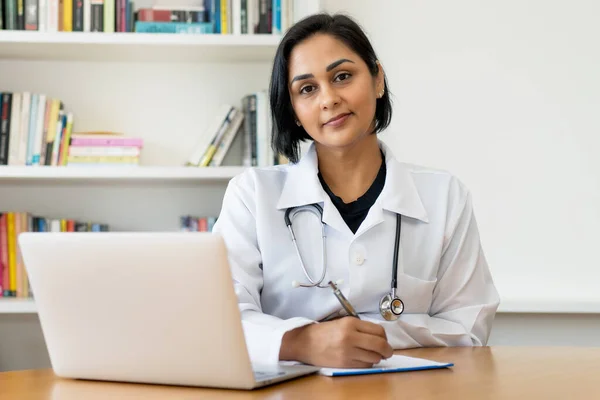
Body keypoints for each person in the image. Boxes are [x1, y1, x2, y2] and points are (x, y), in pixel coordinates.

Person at [211, 13, 500, 369]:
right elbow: (220, 321)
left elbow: (468, 328)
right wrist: (302, 341)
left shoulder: (444, 196)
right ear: (295, 112)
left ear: (378, 79)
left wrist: (366, 336)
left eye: (342, 76)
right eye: (307, 89)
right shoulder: (252, 195)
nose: (329, 99)